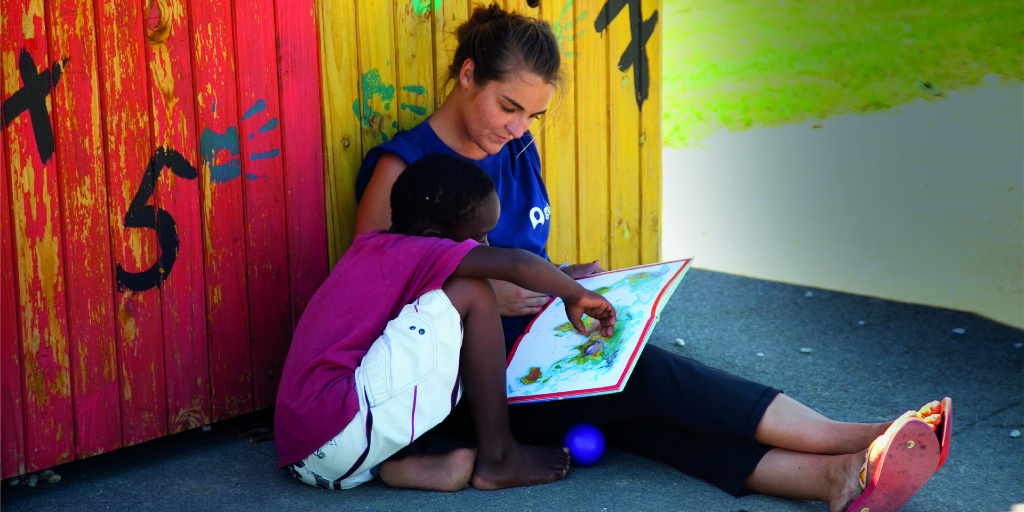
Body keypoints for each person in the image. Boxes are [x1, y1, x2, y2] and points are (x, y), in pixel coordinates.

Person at [351, 4, 952, 511]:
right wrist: (491, 298)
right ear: (467, 75)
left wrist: (564, 278)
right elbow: (369, 295)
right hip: (469, 384)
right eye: (508, 106)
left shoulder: (515, 147)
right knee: (647, 377)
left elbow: (512, 251)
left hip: (536, 341)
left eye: (533, 114)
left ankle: (835, 479)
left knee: (638, 415)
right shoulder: (402, 169)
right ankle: (856, 437)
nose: (518, 127)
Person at [274, 154, 616, 491]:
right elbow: (517, 265)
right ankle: (500, 458)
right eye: (478, 238)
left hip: (308, 448)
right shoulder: (419, 250)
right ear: (432, 234)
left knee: (427, 318)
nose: (485, 247)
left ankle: (401, 465)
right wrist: (576, 295)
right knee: (473, 291)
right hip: (340, 432)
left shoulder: (374, 250)